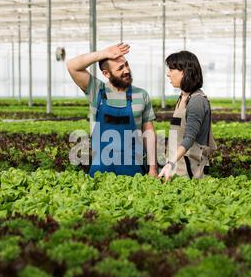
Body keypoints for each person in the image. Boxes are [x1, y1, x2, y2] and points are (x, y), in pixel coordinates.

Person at [66, 43, 158, 177]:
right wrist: (103, 54)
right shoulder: (96, 90)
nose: (126, 70)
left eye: (126, 65)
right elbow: (72, 66)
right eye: (120, 68)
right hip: (100, 168)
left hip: (132, 168)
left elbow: (149, 133)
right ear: (106, 73)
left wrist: (153, 169)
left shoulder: (141, 95)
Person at [158, 50, 217, 181]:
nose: (168, 74)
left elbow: (189, 138)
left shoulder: (196, 101)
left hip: (189, 172)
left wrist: (170, 163)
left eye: (171, 69)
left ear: (184, 72)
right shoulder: (183, 97)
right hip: (176, 167)